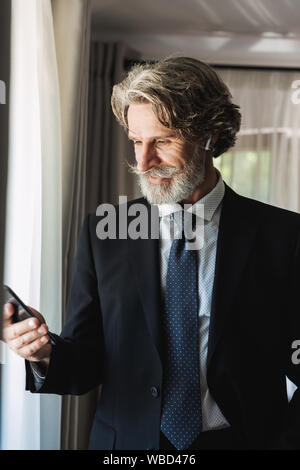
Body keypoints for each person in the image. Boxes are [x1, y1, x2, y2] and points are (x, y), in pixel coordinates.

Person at [2, 57, 300, 450]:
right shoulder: (103, 235)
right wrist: (43, 353)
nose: (144, 163)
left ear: (209, 135)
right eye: (136, 141)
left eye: (162, 140)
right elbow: (87, 361)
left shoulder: (284, 236)